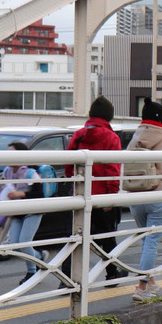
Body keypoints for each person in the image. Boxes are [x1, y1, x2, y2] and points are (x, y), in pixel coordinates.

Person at [126, 98, 162, 302]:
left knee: (145, 239)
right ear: (161, 118)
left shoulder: (135, 138)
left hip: (136, 195)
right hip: (159, 194)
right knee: (152, 241)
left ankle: (151, 280)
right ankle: (141, 287)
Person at [64, 96, 123, 282]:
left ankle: (66, 276)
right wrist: (111, 196)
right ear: (109, 117)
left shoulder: (79, 135)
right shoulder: (111, 137)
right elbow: (112, 170)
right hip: (101, 196)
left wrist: (75, 183)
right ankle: (112, 273)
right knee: (107, 237)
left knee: (76, 237)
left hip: (81, 194)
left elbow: (68, 166)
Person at [4, 141, 44, 286]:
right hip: (17, 211)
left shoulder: (30, 172)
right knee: (16, 245)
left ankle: (32, 272)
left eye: (12, 154)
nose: (8, 157)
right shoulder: (7, 171)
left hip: (32, 211)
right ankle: (39, 256)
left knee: (25, 242)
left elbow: (39, 193)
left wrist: (21, 194)